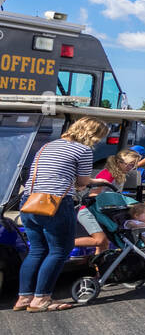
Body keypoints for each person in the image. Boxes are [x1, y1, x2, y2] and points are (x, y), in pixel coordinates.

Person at [14, 116, 108, 312]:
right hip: (55, 204)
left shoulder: (48, 146)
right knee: (59, 250)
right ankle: (41, 299)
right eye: (98, 137)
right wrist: (97, 182)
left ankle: (24, 298)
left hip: (30, 201)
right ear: (91, 135)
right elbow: (82, 182)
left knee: (37, 250)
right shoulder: (82, 150)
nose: (98, 142)